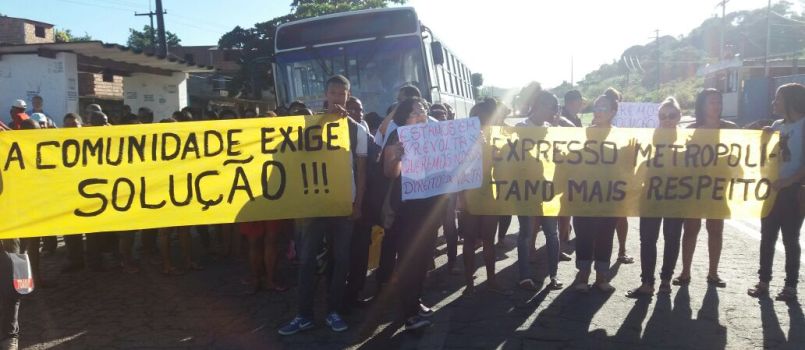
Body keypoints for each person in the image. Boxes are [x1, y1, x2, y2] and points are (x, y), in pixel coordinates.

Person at [279, 75, 368, 335]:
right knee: (306, 261)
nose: (337, 98)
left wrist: (358, 203)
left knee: (341, 260)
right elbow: (295, 159)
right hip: (315, 204)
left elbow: (361, 171)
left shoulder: (357, 129)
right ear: (325, 95)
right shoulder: (310, 125)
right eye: (333, 93)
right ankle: (303, 315)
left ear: (347, 97)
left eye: (342, 94)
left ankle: (334, 311)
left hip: (343, 205)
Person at [381, 96, 445, 330]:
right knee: (409, 259)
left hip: (430, 207)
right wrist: (397, 155)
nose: (423, 114)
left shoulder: (436, 135)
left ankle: (416, 301)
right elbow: (389, 173)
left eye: (425, 110)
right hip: (407, 210)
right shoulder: (396, 136)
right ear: (404, 116)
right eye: (417, 111)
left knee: (424, 259)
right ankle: (407, 314)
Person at [747, 83, 805, 301]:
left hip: (793, 191)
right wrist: (764, 138)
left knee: (790, 238)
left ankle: (790, 287)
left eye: (778, 98)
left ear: (790, 101)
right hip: (771, 191)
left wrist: (789, 180)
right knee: (767, 237)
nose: (774, 102)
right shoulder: (775, 126)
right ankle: (763, 282)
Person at [675, 89, 737, 288]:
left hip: (719, 187)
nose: (716, 105)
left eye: (719, 101)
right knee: (691, 229)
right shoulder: (692, 129)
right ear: (702, 105)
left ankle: (713, 273)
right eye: (712, 102)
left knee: (716, 229)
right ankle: (685, 272)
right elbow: (682, 158)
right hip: (695, 187)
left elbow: (741, 155)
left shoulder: (731, 129)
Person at [626, 97, 685, 298]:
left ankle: (666, 281)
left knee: (672, 240)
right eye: (663, 115)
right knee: (647, 240)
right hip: (650, 196)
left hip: (676, 198)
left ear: (679, 116)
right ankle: (647, 283)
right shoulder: (651, 136)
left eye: (672, 115)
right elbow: (642, 163)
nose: (667, 119)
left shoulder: (689, 140)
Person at [459, 98, 512, 295]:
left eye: (482, 118)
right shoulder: (464, 139)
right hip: (470, 195)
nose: (478, 121)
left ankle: (491, 279)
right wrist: (460, 197)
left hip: (490, 194)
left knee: (488, 239)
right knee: (470, 240)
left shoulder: (498, 137)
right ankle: (469, 283)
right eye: (475, 117)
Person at [572, 88, 622, 293]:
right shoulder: (583, 133)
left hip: (609, 195)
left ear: (612, 112)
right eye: (597, 107)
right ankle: (583, 276)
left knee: (605, 234)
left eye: (604, 108)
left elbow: (626, 164)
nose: (599, 111)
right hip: (584, 194)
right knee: (583, 233)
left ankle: (601, 277)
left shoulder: (621, 136)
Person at [515, 92, 567, 291]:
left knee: (551, 233)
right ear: (539, 106)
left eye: (555, 108)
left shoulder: (552, 130)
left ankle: (553, 275)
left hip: (547, 187)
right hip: (526, 188)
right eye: (551, 107)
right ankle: (524, 276)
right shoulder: (520, 128)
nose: (553, 111)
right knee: (526, 233)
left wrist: (556, 126)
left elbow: (560, 158)